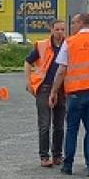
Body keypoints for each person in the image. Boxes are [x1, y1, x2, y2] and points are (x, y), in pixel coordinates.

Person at [49, 13, 89, 177]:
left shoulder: (69, 42)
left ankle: (68, 165)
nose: (71, 26)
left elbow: (61, 70)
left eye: (73, 22)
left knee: (72, 129)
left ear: (81, 23)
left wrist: (54, 91)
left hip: (75, 92)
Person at [25, 19, 67, 167]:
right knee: (44, 124)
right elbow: (28, 61)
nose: (60, 32)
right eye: (57, 29)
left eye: (62, 29)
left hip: (63, 89)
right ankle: (44, 156)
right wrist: (29, 82)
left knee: (60, 125)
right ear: (51, 29)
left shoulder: (68, 45)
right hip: (44, 87)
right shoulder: (42, 45)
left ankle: (57, 155)